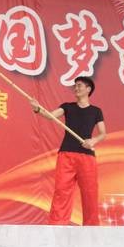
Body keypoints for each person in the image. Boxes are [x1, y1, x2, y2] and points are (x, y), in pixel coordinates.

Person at [29, 76, 106, 226]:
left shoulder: (96, 111)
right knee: (61, 190)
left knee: (90, 192)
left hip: (87, 157)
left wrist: (93, 141)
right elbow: (50, 116)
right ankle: (57, 225)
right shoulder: (67, 107)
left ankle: (91, 227)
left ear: (88, 89)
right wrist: (37, 108)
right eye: (75, 86)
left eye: (79, 85)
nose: (76, 88)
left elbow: (103, 133)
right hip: (67, 154)